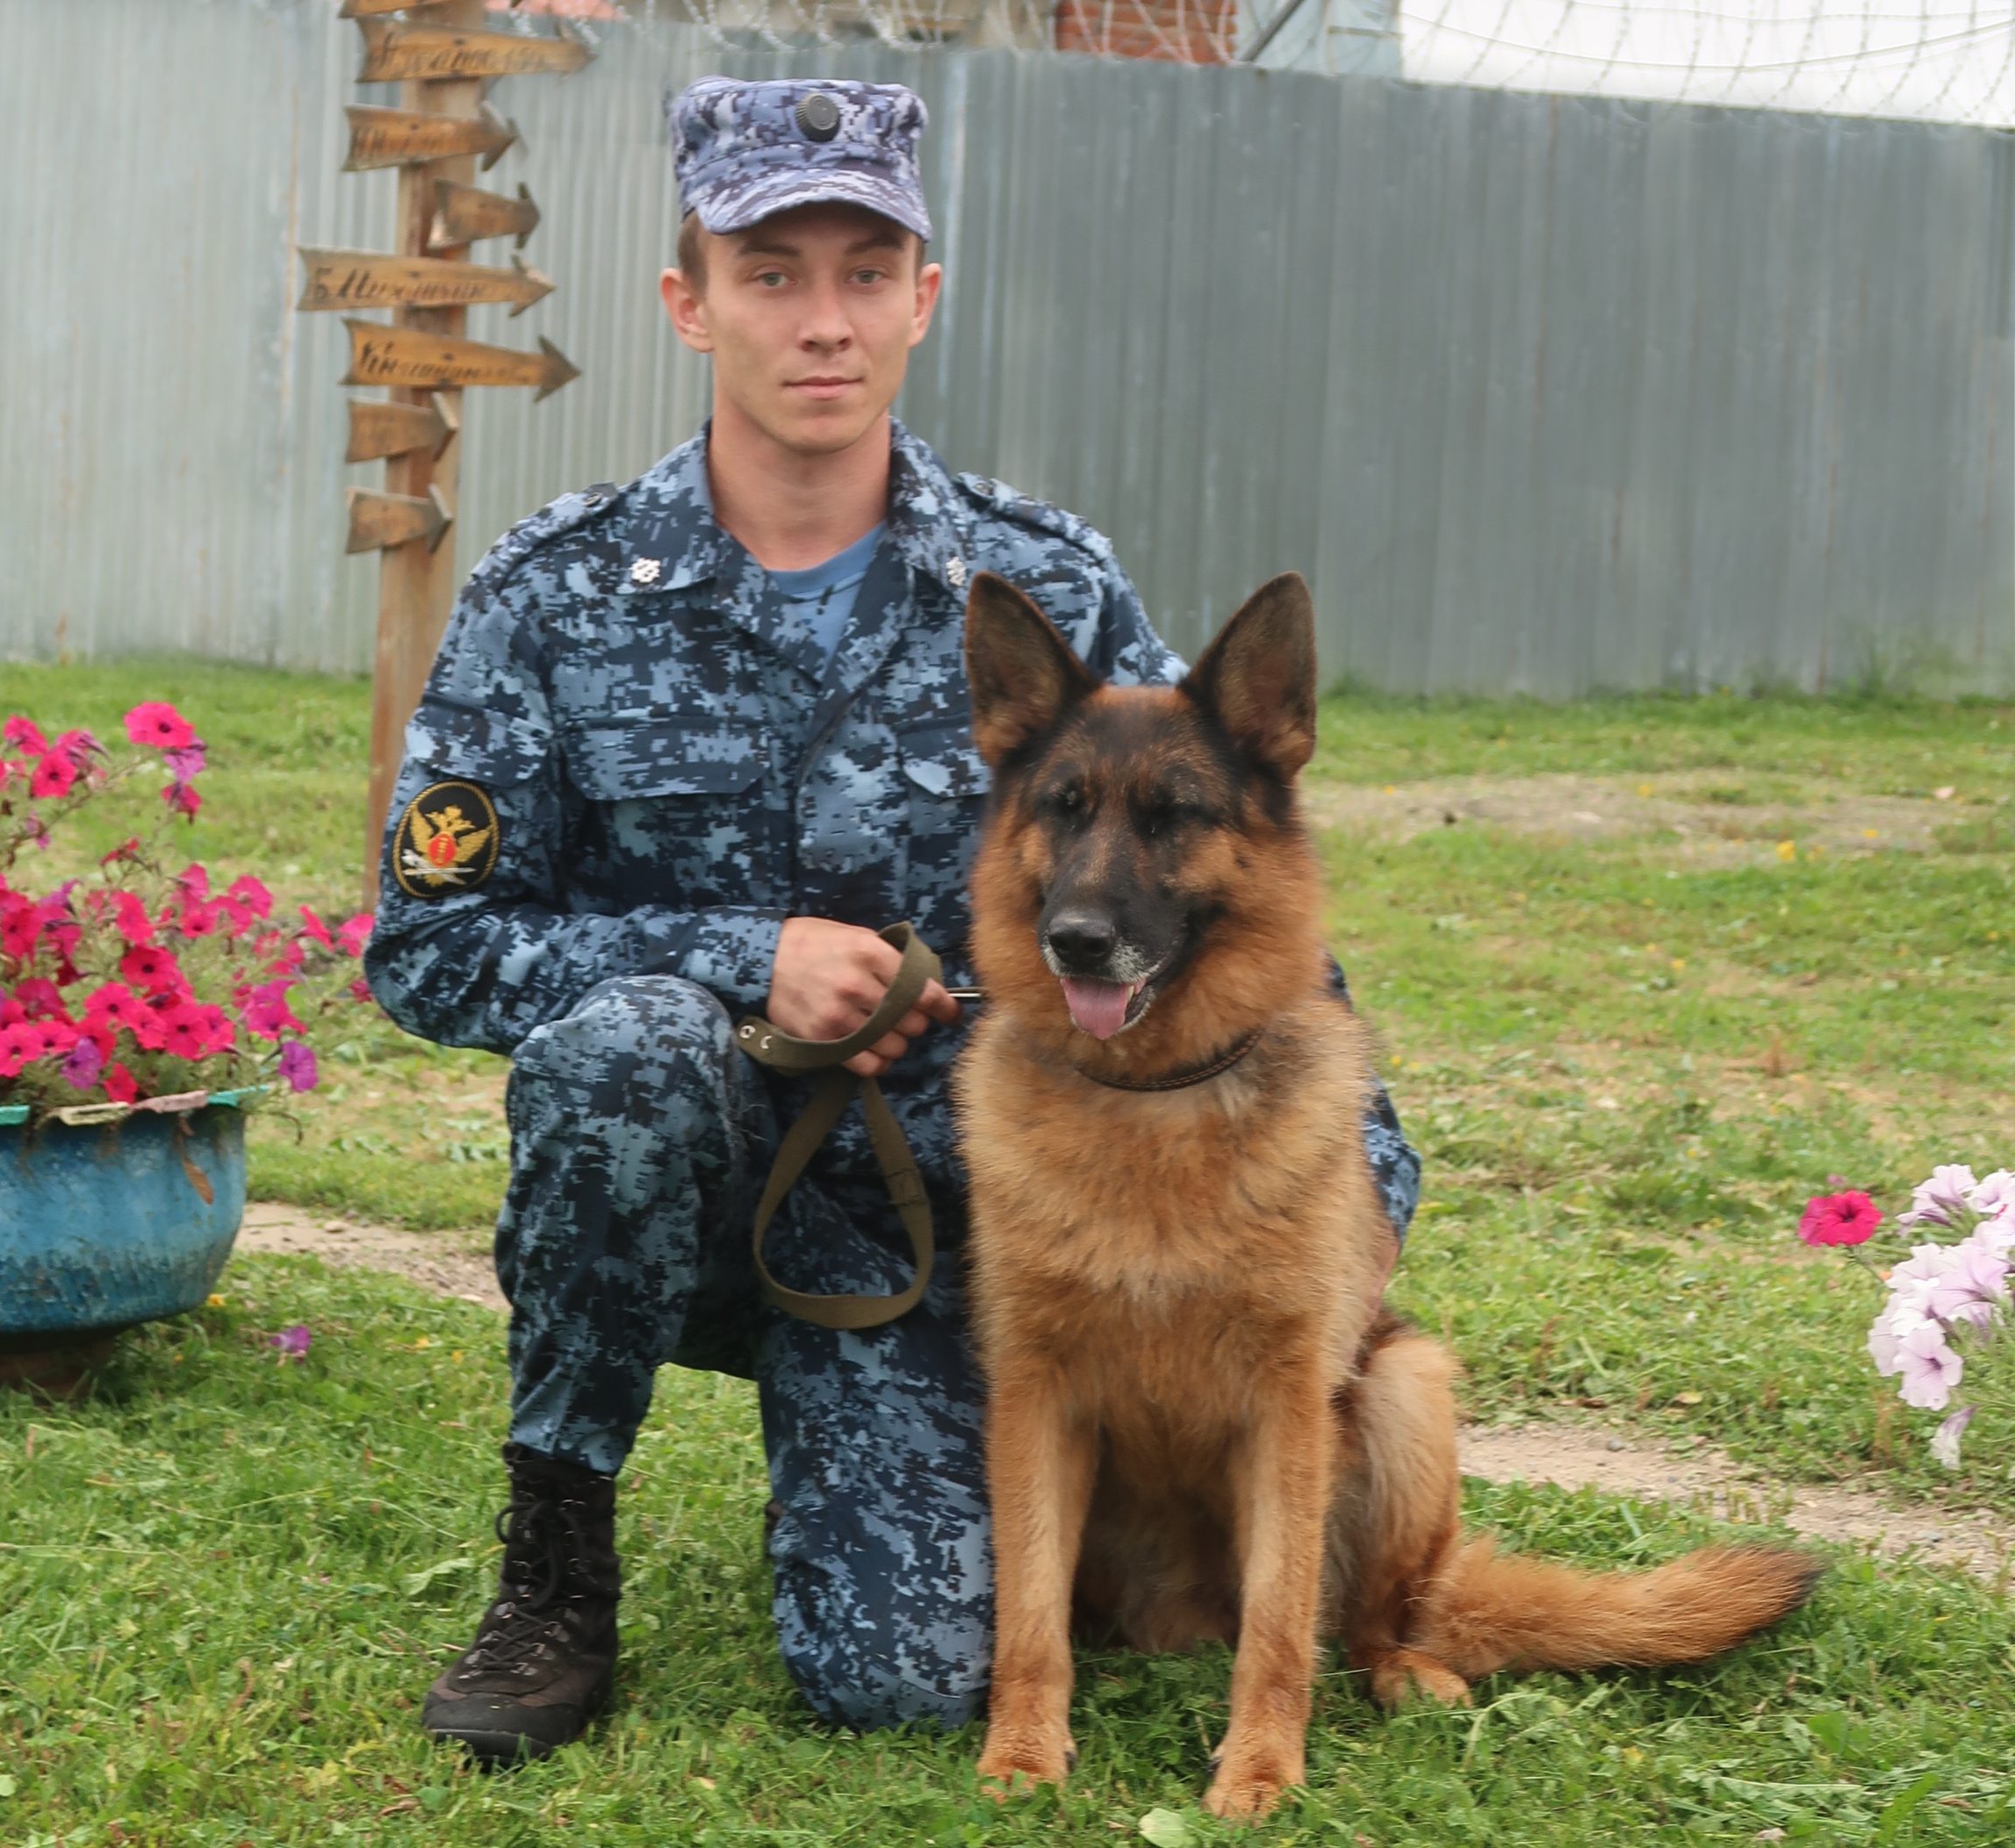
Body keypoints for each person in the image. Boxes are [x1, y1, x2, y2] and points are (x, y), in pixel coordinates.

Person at [360, 74, 1421, 1766]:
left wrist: (1355, 1189)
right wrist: (736, 957)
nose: (822, 320)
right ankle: (555, 1557)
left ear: (924, 298)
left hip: (951, 1245)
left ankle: (867, 1449)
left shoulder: (1043, 583)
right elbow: (424, 943)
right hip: (685, 1201)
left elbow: (1214, 872)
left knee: (905, 1679)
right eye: (770, 271)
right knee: (624, 1050)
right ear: (686, 299)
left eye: (867, 270)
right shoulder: (552, 591)